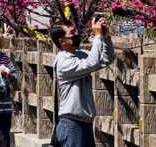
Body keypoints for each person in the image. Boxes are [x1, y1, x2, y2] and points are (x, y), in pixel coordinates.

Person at [49, 17, 114, 147]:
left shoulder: (79, 54)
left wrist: (106, 38)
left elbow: (106, 59)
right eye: (72, 33)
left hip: (85, 122)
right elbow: (92, 63)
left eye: (75, 31)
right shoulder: (64, 62)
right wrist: (97, 37)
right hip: (72, 124)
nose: (77, 34)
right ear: (62, 41)